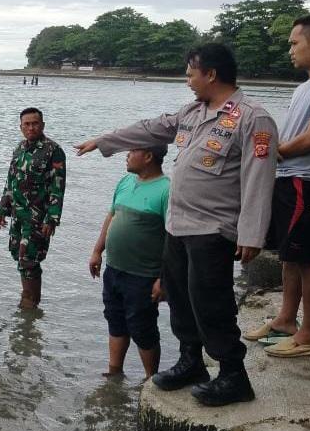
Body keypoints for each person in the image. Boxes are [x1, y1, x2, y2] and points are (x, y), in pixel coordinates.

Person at [75, 43, 278, 407]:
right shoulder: (192, 113)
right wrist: (103, 141)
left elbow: (260, 178)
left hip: (212, 230)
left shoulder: (253, 118)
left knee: (211, 302)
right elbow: (148, 129)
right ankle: (190, 362)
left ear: (211, 74)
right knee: (181, 300)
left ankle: (233, 375)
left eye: (190, 73)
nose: (187, 80)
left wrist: (252, 233)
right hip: (178, 227)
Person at [244, 14, 310, 358]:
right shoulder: (307, 85)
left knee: (309, 260)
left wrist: (275, 153)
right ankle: (286, 321)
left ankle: (309, 336)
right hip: (291, 180)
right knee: (290, 256)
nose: (290, 50)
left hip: (309, 182)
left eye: (294, 42)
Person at [89, 145, 171, 379]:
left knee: (142, 327)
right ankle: (114, 372)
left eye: (132, 151)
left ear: (148, 156)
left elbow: (172, 239)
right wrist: (97, 251)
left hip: (144, 275)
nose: (126, 155)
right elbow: (111, 216)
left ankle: (150, 379)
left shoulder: (166, 189)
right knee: (115, 320)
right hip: (114, 269)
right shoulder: (126, 181)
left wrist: (163, 279)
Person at [0, 107, 66, 310]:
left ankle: (30, 302)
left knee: (29, 259)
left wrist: (52, 218)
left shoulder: (53, 150)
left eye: (35, 123)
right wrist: (3, 209)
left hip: (38, 217)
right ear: (21, 127)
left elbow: (58, 187)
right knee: (17, 253)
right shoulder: (19, 149)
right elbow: (10, 181)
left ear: (42, 125)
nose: (31, 127)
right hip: (18, 214)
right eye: (26, 124)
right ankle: (29, 300)